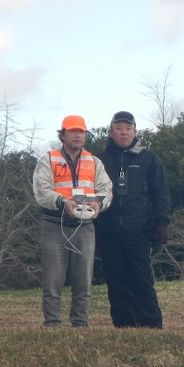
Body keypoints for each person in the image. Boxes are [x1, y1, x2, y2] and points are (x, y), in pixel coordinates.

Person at [33, 115, 113, 327]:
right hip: (54, 225)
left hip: (85, 226)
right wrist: (62, 202)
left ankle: (80, 324)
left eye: (82, 131)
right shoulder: (49, 159)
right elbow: (41, 190)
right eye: (73, 131)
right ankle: (51, 324)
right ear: (63, 135)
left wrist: (99, 204)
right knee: (52, 281)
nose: (78, 135)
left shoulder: (94, 162)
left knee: (84, 281)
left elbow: (106, 189)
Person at [96, 111, 170, 328]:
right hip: (108, 228)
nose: (123, 132)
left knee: (142, 280)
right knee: (116, 281)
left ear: (135, 131)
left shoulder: (148, 158)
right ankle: (124, 326)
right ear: (111, 132)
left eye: (128, 128)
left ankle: (152, 325)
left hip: (138, 229)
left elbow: (160, 192)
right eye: (118, 128)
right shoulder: (99, 160)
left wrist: (162, 221)